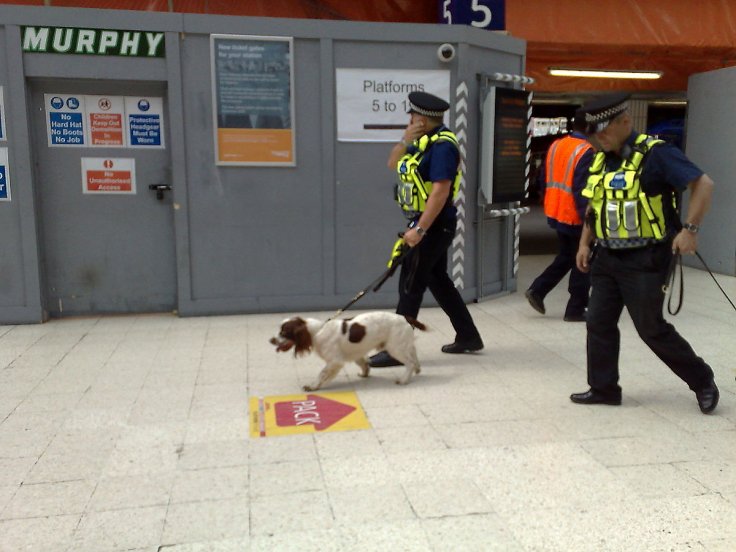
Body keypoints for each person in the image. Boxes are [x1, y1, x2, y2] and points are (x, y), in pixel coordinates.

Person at [571, 92, 719, 414]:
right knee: (598, 322)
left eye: (605, 130)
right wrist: (585, 243)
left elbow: (703, 184)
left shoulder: (657, 154)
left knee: (650, 328)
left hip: (646, 258)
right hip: (607, 257)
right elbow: (597, 206)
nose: (599, 138)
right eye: (594, 133)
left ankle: (702, 380)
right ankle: (604, 388)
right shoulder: (600, 159)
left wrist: (690, 230)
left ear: (626, 121)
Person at [369, 91, 483, 367]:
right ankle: (468, 336)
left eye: (412, 115)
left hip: (432, 224)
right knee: (438, 281)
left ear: (423, 118)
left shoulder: (443, 146)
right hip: (424, 222)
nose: (409, 119)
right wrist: (404, 140)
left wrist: (419, 230)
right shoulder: (420, 142)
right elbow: (392, 163)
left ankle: (398, 350)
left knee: (410, 283)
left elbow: (440, 192)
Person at [525, 109, 593, 322]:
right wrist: (590, 224)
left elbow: (544, 177)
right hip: (575, 215)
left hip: (556, 210)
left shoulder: (557, 145)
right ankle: (575, 308)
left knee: (567, 256)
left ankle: (538, 289)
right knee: (584, 260)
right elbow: (583, 191)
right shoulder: (586, 151)